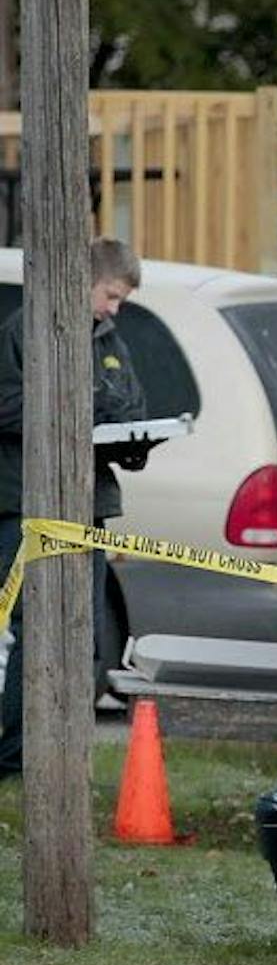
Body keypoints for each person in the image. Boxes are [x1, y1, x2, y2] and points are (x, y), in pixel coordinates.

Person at [0, 237, 148, 778]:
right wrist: (80, 405)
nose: (114, 309)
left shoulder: (108, 339)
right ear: (82, 281)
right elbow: (10, 406)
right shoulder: (26, 332)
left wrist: (131, 433)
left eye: (121, 301)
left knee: (83, 632)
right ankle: (17, 759)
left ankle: (64, 758)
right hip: (29, 504)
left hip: (89, 505)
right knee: (36, 627)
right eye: (110, 295)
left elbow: (132, 406)